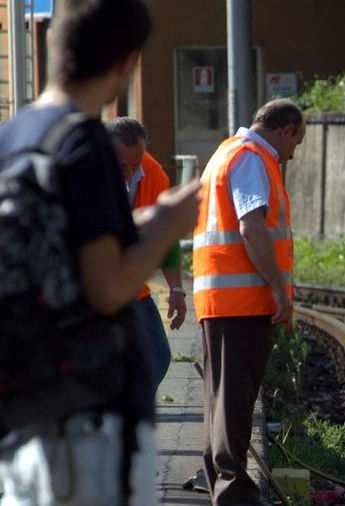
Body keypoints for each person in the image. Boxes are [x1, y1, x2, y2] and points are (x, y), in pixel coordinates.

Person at [0, 1, 201, 505]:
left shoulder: (14, 137)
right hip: (86, 416)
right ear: (127, 61)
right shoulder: (86, 144)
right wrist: (169, 225)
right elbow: (109, 287)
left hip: (25, 403)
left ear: (52, 44)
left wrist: (143, 222)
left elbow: (62, 249)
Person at [192, 98, 305, 506]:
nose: (292, 154)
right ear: (286, 129)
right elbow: (250, 226)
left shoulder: (225, 153)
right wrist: (278, 289)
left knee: (223, 399)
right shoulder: (253, 157)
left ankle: (223, 482)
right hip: (241, 301)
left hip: (223, 298)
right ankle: (234, 492)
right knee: (234, 401)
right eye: (296, 143)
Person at [107, 117, 187, 392]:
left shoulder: (153, 174)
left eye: (136, 163)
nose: (130, 171)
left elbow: (166, 235)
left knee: (157, 355)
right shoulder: (82, 173)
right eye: (122, 165)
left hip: (132, 290)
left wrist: (176, 288)